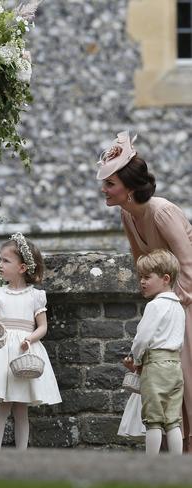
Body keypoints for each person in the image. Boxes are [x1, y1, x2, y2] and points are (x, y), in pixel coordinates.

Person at [97, 130, 192, 449]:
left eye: (110, 183)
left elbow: (188, 265)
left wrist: (172, 304)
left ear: (130, 188)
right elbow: (143, 263)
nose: (104, 189)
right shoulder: (127, 214)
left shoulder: (162, 211)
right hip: (170, 304)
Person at [0, 233, 61, 449]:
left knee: (21, 407)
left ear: (22, 268)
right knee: (3, 406)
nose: (0, 264)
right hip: (2, 352)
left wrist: (29, 338)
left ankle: (21, 454)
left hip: (24, 352)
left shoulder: (35, 296)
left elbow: (42, 326)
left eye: (6, 260)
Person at [122, 249, 185, 455]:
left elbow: (142, 338)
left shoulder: (155, 306)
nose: (142, 281)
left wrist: (136, 359)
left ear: (166, 279)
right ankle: (177, 467)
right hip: (175, 367)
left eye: (147, 277)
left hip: (155, 367)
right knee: (173, 420)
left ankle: (152, 465)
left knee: (153, 420)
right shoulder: (179, 307)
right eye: (141, 277)